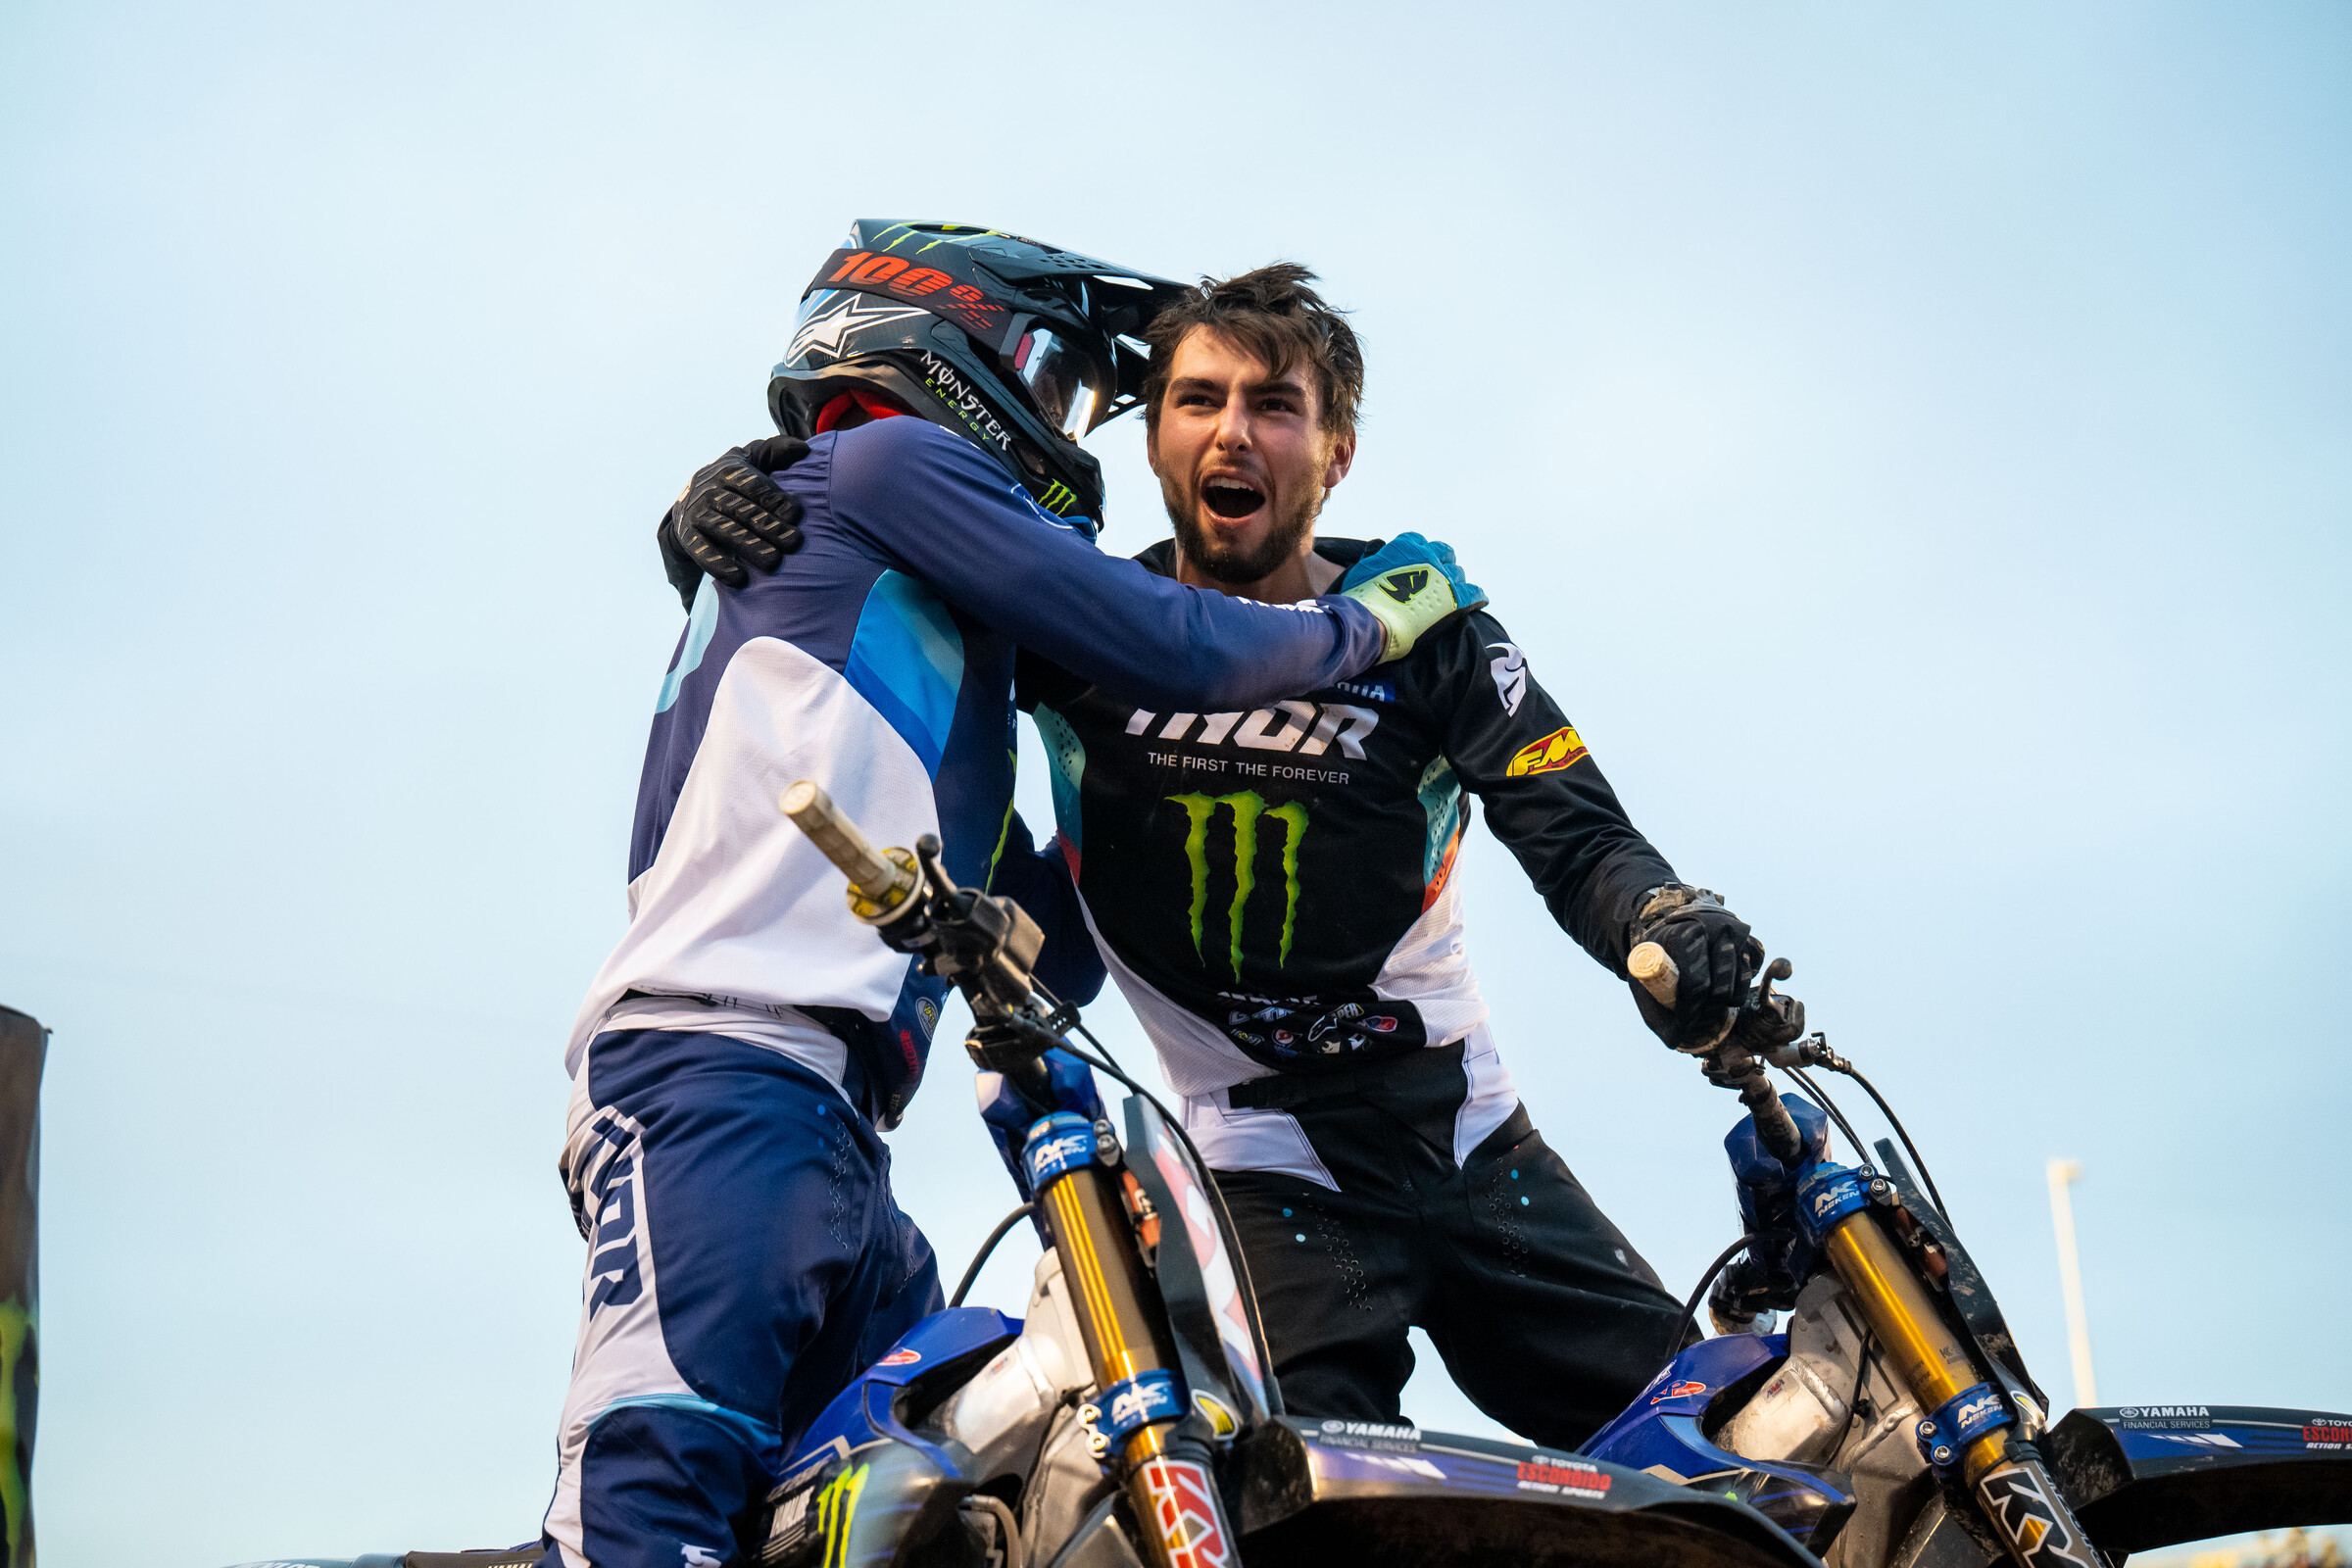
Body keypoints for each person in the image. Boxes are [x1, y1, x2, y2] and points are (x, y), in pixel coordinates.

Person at [667, 264, 1771, 1454]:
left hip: (1466, 1131)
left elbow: (1577, 834)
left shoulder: (1428, 624)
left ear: (1336, 452)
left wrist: (1663, 913)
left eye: (1274, 406)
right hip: (1255, 1161)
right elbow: (863, 591)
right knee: (1285, 1500)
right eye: (1197, 400)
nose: (1233, 432)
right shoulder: (1080, 615)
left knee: (1728, 1465)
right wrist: (730, 505)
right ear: (1153, 440)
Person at [549, 225, 1480, 1568]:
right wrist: (1367, 627)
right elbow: (1171, 645)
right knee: (657, 1489)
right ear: (942, 341)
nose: (1064, 426)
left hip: (832, 1119)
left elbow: (1048, 951)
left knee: (895, 1523)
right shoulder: (888, 460)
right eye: (1053, 382)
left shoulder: (943, 663)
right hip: (720, 1060)